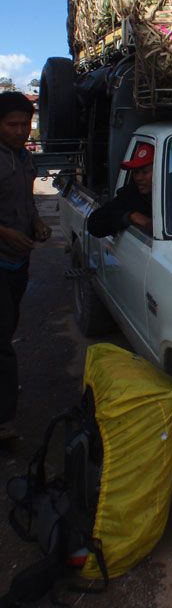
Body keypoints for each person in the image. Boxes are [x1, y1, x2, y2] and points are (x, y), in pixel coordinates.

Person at [0, 91, 52, 441]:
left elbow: (27, 200)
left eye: (25, 123)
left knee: (8, 325)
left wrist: (35, 222)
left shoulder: (24, 158)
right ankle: (5, 421)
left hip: (18, 261)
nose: (20, 130)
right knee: (2, 340)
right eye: (12, 124)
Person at [87, 142, 154, 238]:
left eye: (145, 172)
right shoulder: (130, 196)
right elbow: (94, 224)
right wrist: (131, 216)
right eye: (136, 172)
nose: (139, 178)